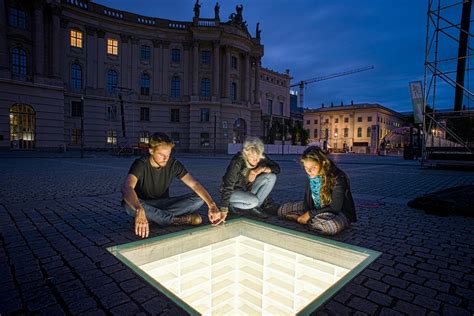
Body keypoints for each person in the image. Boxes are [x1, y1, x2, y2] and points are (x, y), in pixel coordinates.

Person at [122, 132, 223, 238]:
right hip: (144, 205)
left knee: (199, 199)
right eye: (162, 155)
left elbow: (194, 184)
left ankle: (156, 218)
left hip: (166, 204)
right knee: (127, 205)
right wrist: (139, 208)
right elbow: (127, 187)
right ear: (151, 151)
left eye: (168, 155)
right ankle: (175, 220)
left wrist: (212, 205)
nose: (166, 159)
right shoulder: (141, 163)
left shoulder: (173, 164)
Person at [278, 146, 356, 235]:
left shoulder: (338, 177)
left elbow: (335, 208)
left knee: (327, 226)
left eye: (313, 167)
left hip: (337, 212)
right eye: (306, 168)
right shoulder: (312, 176)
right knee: (282, 210)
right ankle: (309, 220)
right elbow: (307, 201)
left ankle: (302, 219)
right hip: (316, 209)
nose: (309, 171)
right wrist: (308, 212)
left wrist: (309, 215)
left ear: (322, 163)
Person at [219, 137, 280, 219]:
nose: (256, 160)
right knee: (253, 201)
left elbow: (277, 168)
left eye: (258, 157)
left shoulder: (260, 157)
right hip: (234, 191)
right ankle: (231, 205)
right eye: (252, 157)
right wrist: (223, 208)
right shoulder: (237, 162)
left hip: (248, 190)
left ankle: (255, 207)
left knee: (271, 177)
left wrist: (259, 170)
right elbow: (228, 186)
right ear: (246, 154)